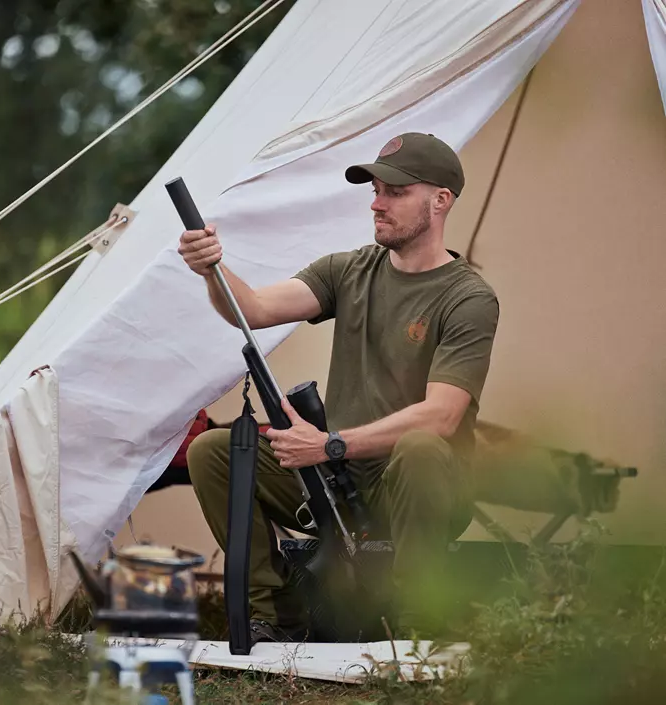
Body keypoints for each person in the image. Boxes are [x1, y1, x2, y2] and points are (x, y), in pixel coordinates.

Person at [178, 132, 500, 643]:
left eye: (395, 191)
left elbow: (441, 417)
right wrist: (211, 269)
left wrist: (328, 444)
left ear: (441, 201)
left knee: (420, 447)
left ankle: (416, 622)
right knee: (216, 451)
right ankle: (277, 611)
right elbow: (255, 311)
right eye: (375, 190)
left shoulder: (468, 297)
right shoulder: (346, 269)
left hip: (419, 481)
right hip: (336, 474)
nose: (377, 203)